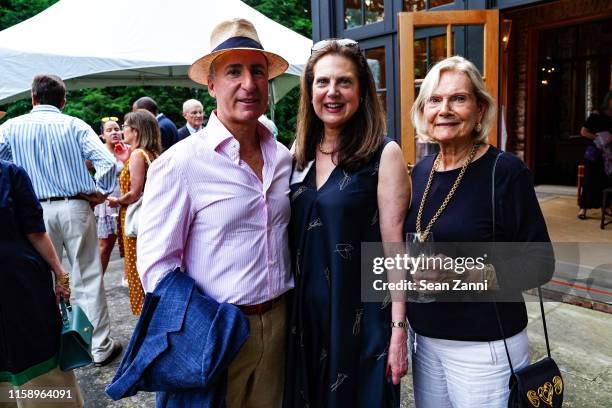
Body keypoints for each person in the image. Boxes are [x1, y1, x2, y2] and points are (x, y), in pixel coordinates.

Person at [137, 18, 293, 407]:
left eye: (258, 71)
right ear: (211, 85)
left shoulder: (284, 158)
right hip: (216, 329)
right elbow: (156, 268)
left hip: (279, 324)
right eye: (234, 72)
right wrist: (205, 326)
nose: (249, 83)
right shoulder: (180, 164)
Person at [404, 56, 554, 407]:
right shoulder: (422, 170)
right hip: (425, 340)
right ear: (423, 110)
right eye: (435, 100)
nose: (445, 109)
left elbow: (541, 262)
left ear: (480, 108)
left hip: (484, 347)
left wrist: (465, 274)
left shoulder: (505, 172)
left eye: (458, 98)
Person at [285, 39, 410, 407]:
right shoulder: (298, 152)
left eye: (344, 82)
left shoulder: (383, 153)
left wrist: (398, 330)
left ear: (361, 90)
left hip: (360, 317)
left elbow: (394, 248)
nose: (332, 92)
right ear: (309, 91)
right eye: (322, 82)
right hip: (305, 317)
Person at [0, 74, 122, 367]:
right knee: (88, 277)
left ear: (32, 98)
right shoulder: (75, 125)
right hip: (75, 206)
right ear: (63, 100)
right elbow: (109, 164)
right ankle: (99, 347)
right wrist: (100, 193)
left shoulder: (10, 128)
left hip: (32, 212)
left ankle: (50, 348)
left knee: (42, 281)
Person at [0, 160, 84, 407]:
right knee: (35, 347)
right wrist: (61, 274)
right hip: (20, 281)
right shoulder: (9, 172)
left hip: (20, 280)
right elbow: (35, 231)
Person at [107, 110, 161, 316]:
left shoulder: (138, 155)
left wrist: (117, 200)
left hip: (135, 218)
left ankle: (144, 316)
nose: (122, 131)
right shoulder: (149, 153)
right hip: (148, 217)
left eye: (125, 127)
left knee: (136, 269)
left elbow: (134, 193)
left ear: (135, 131)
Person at [94, 117, 124, 275]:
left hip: (126, 200)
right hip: (107, 202)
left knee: (130, 243)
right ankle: (96, 284)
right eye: (109, 130)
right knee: (105, 246)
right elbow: (82, 170)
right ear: (102, 136)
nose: (114, 132)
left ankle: (130, 278)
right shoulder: (98, 153)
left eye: (117, 129)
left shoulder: (129, 149)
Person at [577, 91, 612, 219]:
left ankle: (606, 207)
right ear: (608, 100)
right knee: (590, 181)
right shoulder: (596, 114)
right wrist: (599, 138)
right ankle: (583, 208)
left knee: (607, 181)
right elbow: (583, 131)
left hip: (608, 155)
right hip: (595, 153)